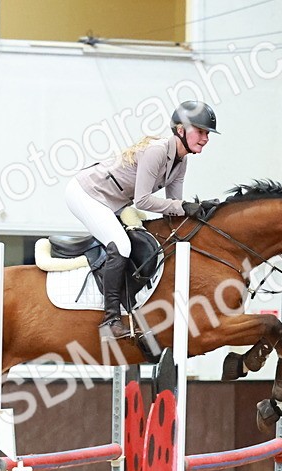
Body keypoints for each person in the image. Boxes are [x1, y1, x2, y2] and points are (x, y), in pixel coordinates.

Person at [66, 100, 218, 340]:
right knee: (122, 246)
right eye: (200, 131)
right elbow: (143, 201)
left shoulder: (181, 161)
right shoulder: (158, 151)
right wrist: (183, 207)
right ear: (181, 130)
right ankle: (110, 321)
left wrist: (198, 210)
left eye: (207, 133)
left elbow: (173, 209)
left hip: (113, 201)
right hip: (87, 193)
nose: (206, 138)